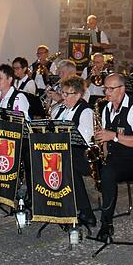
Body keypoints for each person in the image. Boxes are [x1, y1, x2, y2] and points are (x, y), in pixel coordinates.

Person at [94, 73, 133, 242]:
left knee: (109, 173)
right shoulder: (106, 109)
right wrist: (101, 155)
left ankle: (106, 223)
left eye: (111, 89)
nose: (107, 92)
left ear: (122, 89)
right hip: (114, 158)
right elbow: (105, 139)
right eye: (105, 88)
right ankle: (84, 212)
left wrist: (114, 137)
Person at [51, 76, 96, 227]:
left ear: (77, 95)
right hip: (65, 150)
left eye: (66, 94)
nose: (62, 97)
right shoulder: (61, 109)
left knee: (66, 163)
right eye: (62, 93)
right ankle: (53, 202)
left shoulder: (86, 111)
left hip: (83, 155)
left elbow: (83, 137)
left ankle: (85, 211)